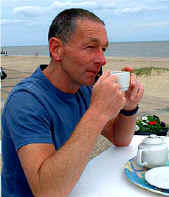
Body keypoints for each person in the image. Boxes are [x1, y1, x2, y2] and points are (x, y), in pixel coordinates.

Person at [1, 8, 144, 197]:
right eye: (91, 47)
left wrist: (128, 107)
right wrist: (98, 112)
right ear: (56, 49)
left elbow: (121, 139)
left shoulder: (83, 90)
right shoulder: (26, 101)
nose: (102, 60)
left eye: (103, 49)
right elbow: (48, 192)